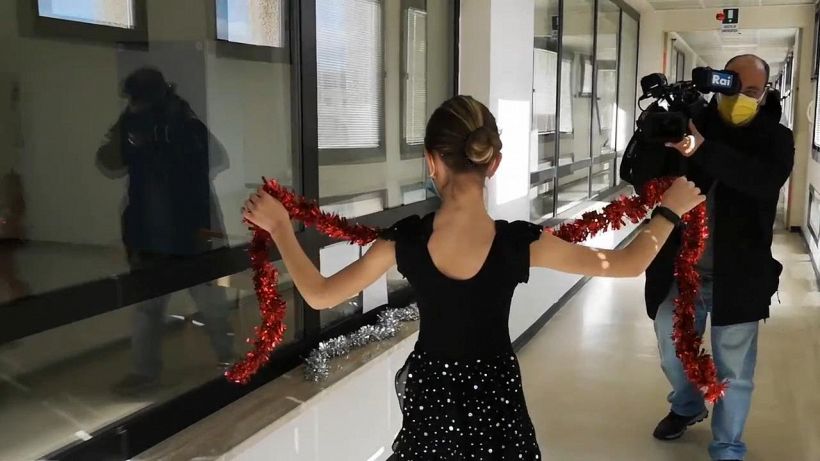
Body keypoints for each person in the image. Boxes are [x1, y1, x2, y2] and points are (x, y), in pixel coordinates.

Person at [243, 95, 704, 459]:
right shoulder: (519, 243)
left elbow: (321, 295)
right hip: (495, 393)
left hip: (431, 392)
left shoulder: (405, 241)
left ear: (431, 161)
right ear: (494, 164)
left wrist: (281, 227)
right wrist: (669, 210)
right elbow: (624, 264)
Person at [621, 55, 794, 461]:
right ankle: (687, 405)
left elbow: (762, 181)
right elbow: (643, 179)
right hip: (682, 270)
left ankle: (728, 447)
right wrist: (651, 135)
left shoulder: (776, 137)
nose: (741, 97)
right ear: (718, 83)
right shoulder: (691, 121)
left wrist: (702, 149)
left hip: (740, 274)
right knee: (671, 351)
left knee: (734, 372)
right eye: (733, 86)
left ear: (765, 93)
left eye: (751, 91)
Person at [97, 67, 235, 395]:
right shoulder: (139, 125)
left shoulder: (183, 122)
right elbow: (108, 162)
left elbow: (218, 159)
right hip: (154, 233)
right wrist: (127, 126)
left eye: (136, 99)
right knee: (151, 306)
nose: (134, 105)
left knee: (207, 301)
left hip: (188, 231)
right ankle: (150, 372)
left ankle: (228, 358)